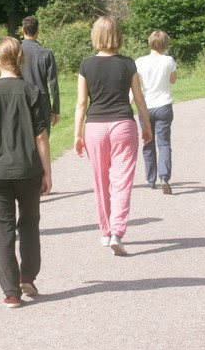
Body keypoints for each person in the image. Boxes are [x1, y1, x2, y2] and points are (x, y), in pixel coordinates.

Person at [0, 37, 52, 309]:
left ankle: (11, 292)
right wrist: (47, 173)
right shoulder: (32, 92)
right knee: (29, 223)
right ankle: (27, 276)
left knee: (2, 231)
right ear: (21, 59)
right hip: (28, 169)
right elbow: (41, 137)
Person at [74, 16, 152, 256]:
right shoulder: (128, 64)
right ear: (118, 36)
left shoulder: (86, 65)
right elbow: (138, 98)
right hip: (123, 125)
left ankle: (106, 231)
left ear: (95, 36)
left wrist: (77, 134)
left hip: (96, 127)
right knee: (122, 181)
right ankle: (118, 231)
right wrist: (146, 125)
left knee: (101, 182)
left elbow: (81, 103)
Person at [135, 30, 177, 194]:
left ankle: (150, 179)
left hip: (145, 106)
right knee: (164, 143)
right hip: (164, 105)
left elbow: (136, 86)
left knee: (148, 141)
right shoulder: (168, 60)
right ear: (165, 44)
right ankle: (164, 177)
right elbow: (173, 80)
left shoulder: (139, 61)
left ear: (150, 42)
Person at [21, 15, 60, 134]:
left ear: (22, 31)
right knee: (42, 141)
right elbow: (53, 83)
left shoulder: (15, 51)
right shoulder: (46, 53)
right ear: (37, 31)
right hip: (41, 103)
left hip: (21, 100)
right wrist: (56, 109)